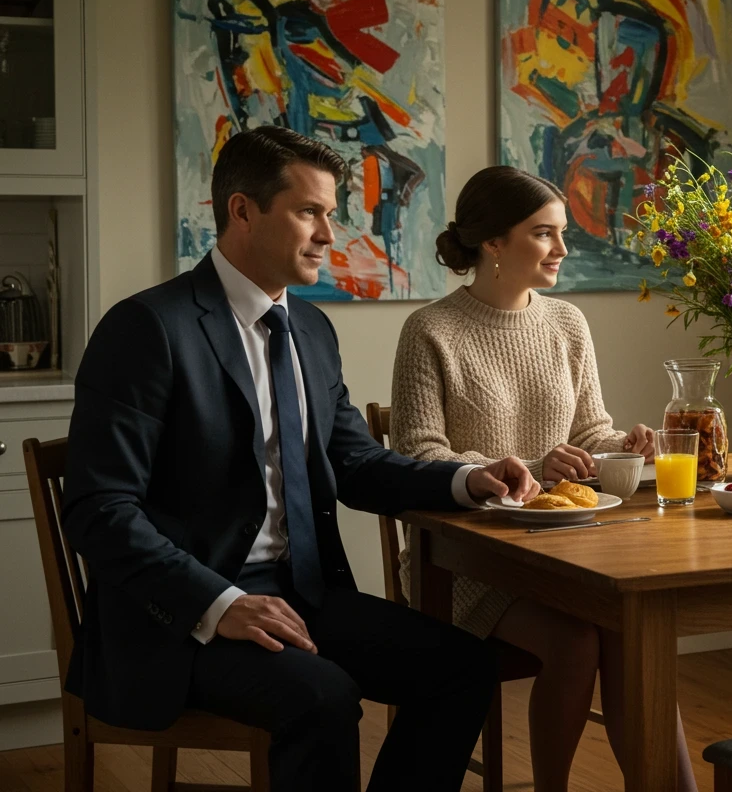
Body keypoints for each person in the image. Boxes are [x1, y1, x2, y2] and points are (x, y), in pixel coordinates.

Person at [60, 127, 540, 792]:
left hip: (303, 596)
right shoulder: (148, 329)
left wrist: (466, 478)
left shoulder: (310, 329)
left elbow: (357, 465)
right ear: (242, 211)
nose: (328, 233)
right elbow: (97, 510)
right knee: (323, 696)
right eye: (309, 212)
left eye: (331, 214)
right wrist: (221, 602)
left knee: (463, 667)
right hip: (181, 618)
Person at [391, 165, 699, 792]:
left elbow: (590, 433)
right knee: (577, 643)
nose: (563, 249)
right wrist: (529, 469)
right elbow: (419, 455)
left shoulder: (567, 324)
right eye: (544, 234)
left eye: (562, 234)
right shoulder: (430, 330)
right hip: (464, 558)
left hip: (568, 549)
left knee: (634, 634)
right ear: (493, 243)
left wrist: (627, 445)